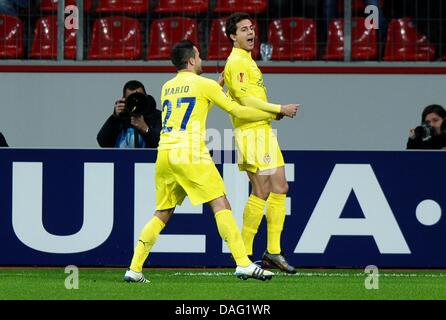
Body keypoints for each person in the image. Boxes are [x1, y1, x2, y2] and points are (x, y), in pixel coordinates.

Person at [123, 40, 279, 283]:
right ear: (192, 60)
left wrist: (213, 87)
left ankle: (134, 268)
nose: (202, 59)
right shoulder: (204, 84)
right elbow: (237, 111)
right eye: (199, 55)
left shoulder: (167, 86)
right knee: (221, 204)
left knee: (162, 212)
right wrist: (277, 111)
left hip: (165, 154)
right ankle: (243, 263)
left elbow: (193, 99)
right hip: (190, 153)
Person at [222, 12, 299, 274]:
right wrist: (279, 108)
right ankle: (243, 256)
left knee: (280, 185)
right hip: (251, 133)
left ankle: (273, 252)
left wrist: (273, 113)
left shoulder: (248, 61)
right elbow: (246, 102)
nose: (250, 32)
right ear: (233, 36)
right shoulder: (236, 62)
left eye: (251, 28)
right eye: (243, 29)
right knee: (262, 190)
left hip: (263, 131)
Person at [97, 80, 162, 148]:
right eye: (131, 99)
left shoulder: (157, 116)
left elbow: (163, 145)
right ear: (124, 100)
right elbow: (103, 143)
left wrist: (146, 129)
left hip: (149, 158)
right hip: (123, 158)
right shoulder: (120, 118)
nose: (136, 102)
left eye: (139, 98)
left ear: (146, 98)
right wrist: (115, 118)